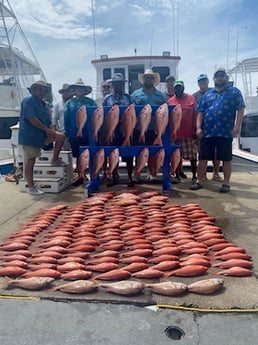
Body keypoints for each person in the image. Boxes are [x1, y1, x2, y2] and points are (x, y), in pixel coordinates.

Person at [190, 67, 245, 193]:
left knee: (226, 159)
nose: (220, 78)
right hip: (207, 132)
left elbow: (240, 109)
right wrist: (198, 128)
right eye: (217, 76)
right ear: (214, 79)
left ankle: (226, 183)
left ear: (225, 78)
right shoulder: (207, 94)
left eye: (222, 76)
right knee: (202, 158)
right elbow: (200, 112)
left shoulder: (235, 92)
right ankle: (199, 180)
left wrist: (237, 127)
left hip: (225, 131)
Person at [18, 80, 65, 195]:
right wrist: (47, 130)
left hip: (42, 134)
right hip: (30, 136)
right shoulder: (28, 101)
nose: (42, 92)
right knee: (31, 160)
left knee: (61, 137)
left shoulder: (44, 104)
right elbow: (31, 118)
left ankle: (55, 159)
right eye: (39, 89)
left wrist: (51, 130)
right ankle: (31, 186)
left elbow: (49, 120)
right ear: (33, 90)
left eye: (44, 90)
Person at [131, 69, 166, 181]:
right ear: (143, 80)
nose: (148, 79)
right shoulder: (135, 94)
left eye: (151, 78)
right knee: (138, 151)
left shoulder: (161, 95)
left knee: (153, 152)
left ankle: (151, 173)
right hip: (139, 128)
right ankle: (137, 173)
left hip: (154, 129)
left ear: (153, 80)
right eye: (146, 77)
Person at [102, 73, 134, 187]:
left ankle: (130, 177)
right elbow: (103, 115)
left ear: (123, 84)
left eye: (120, 83)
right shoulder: (107, 99)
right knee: (112, 154)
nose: (118, 86)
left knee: (129, 155)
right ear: (112, 85)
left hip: (125, 129)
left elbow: (133, 114)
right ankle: (114, 176)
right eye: (115, 84)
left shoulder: (128, 97)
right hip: (113, 131)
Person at [64, 78, 97, 186]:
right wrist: (68, 134)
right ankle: (80, 176)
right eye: (77, 88)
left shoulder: (91, 102)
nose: (79, 90)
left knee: (90, 154)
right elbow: (66, 119)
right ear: (74, 90)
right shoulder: (69, 103)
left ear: (85, 90)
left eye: (81, 88)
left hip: (89, 133)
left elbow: (97, 115)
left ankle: (92, 175)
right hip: (74, 133)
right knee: (78, 155)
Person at [193, 74, 222, 182]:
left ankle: (216, 173)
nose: (202, 83)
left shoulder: (215, 92)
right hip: (202, 128)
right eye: (200, 82)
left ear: (208, 81)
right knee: (202, 153)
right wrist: (196, 127)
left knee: (216, 152)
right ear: (198, 83)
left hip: (216, 127)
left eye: (204, 81)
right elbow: (195, 113)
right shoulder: (194, 96)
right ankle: (203, 175)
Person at [167, 80, 198, 185]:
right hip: (175, 134)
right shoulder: (170, 101)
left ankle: (194, 176)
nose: (178, 89)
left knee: (192, 156)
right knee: (176, 156)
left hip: (189, 133)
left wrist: (195, 128)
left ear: (183, 88)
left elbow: (196, 114)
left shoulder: (191, 99)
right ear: (174, 89)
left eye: (180, 87)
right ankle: (176, 175)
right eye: (176, 87)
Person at [52, 83, 73, 150]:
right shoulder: (58, 105)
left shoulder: (75, 103)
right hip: (64, 132)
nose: (66, 93)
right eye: (64, 91)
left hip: (76, 132)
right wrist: (54, 132)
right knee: (67, 153)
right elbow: (54, 118)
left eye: (68, 91)